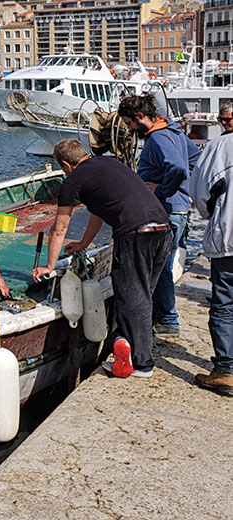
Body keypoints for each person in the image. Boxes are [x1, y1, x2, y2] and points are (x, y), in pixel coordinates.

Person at [32, 139, 171, 378]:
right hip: (163, 229)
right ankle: (127, 344)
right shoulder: (109, 163)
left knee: (131, 297)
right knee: (144, 295)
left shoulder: (72, 181)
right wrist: (84, 244)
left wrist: (49, 265)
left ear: (66, 165)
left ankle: (141, 364)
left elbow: (59, 228)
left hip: (135, 235)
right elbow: (98, 212)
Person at [118, 94, 201, 338]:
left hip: (166, 210)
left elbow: (177, 167)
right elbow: (195, 160)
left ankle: (167, 319)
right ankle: (165, 316)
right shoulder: (174, 131)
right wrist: (187, 190)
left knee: (160, 265)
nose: (130, 129)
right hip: (177, 208)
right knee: (163, 262)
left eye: (130, 123)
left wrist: (163, 190)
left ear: (140, 117)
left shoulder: (159, 137)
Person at [188, 105, 233, 396]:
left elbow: (201, 192)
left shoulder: (220, 146)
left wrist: (212, 215)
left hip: (229, 236)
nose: (223, 122)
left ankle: (226, 370)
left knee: (225, 304)